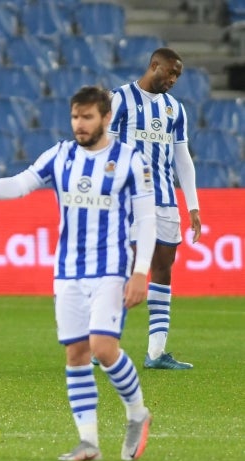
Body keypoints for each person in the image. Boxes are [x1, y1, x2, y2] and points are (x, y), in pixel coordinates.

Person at [0, 86, 155, 461]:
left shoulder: (131, 161)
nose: (79, 125)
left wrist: (141, 272)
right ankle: (89, 443)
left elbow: (147, 220)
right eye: (75, 117)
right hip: (67, 270)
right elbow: (21, 183)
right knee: (76, 354)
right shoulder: (61, 155)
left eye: (87, 117)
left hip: (111, 269)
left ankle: (137, 413)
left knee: (103, 348)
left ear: (105, 118)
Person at [109, 48, 200, 370]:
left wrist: (193, 206)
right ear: (154, 66)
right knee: (128, 267)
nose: (173, 80)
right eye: (170, 73)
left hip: (165, 202)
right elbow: (105, 150)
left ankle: (156, 352)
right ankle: (102, 343)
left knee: (163, 268)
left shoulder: (175, 109)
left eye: (178, 76)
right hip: (129, 200)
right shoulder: (119, 100)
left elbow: (183, 160)